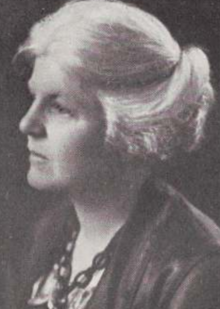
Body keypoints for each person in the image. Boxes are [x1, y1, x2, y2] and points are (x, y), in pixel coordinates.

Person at [6, 0, 220, 308]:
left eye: (59, 108)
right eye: (33, 98)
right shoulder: (45, 235)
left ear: (128, 126)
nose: (27, 124)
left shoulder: (194, 271)